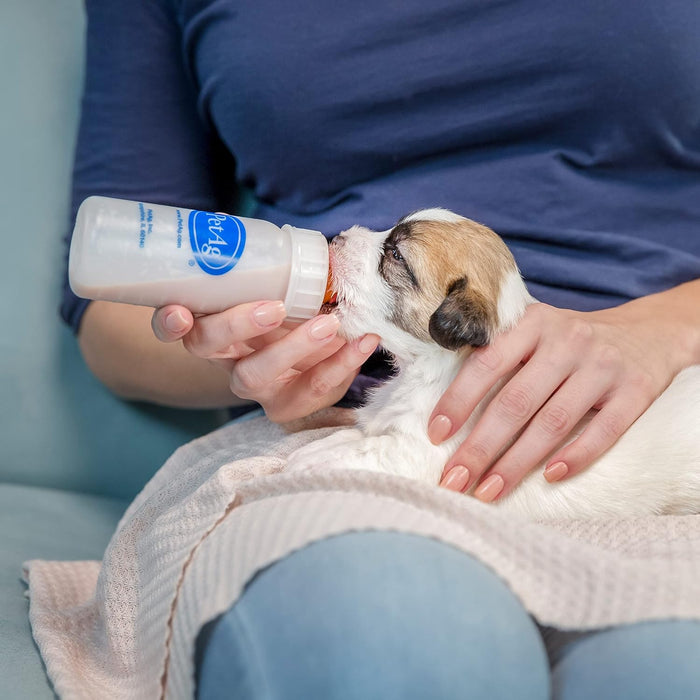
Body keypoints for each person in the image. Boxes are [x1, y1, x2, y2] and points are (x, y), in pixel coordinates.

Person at [62, 0, 700, 697]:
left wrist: (668, 328)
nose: (353, 238)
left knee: (664, 671)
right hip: (330, 429)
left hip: (658, 414)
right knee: (398, 645)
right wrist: (247, 349)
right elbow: (110, 296)